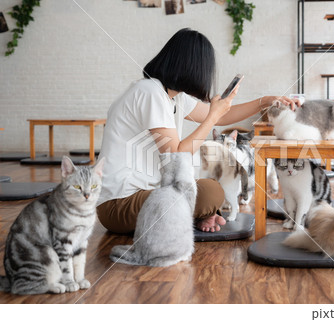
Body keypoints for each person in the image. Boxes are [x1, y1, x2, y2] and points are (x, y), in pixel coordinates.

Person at [96, 28, 299, 234]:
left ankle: (197, 216)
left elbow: (224, 116)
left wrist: (263, 102)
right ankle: (195, 214)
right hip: (117, 205)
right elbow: (177, 154)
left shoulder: (173, 96)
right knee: (211, 193)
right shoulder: (150, 92)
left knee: (208, 190)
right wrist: (213, 116)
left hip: (150, 194)